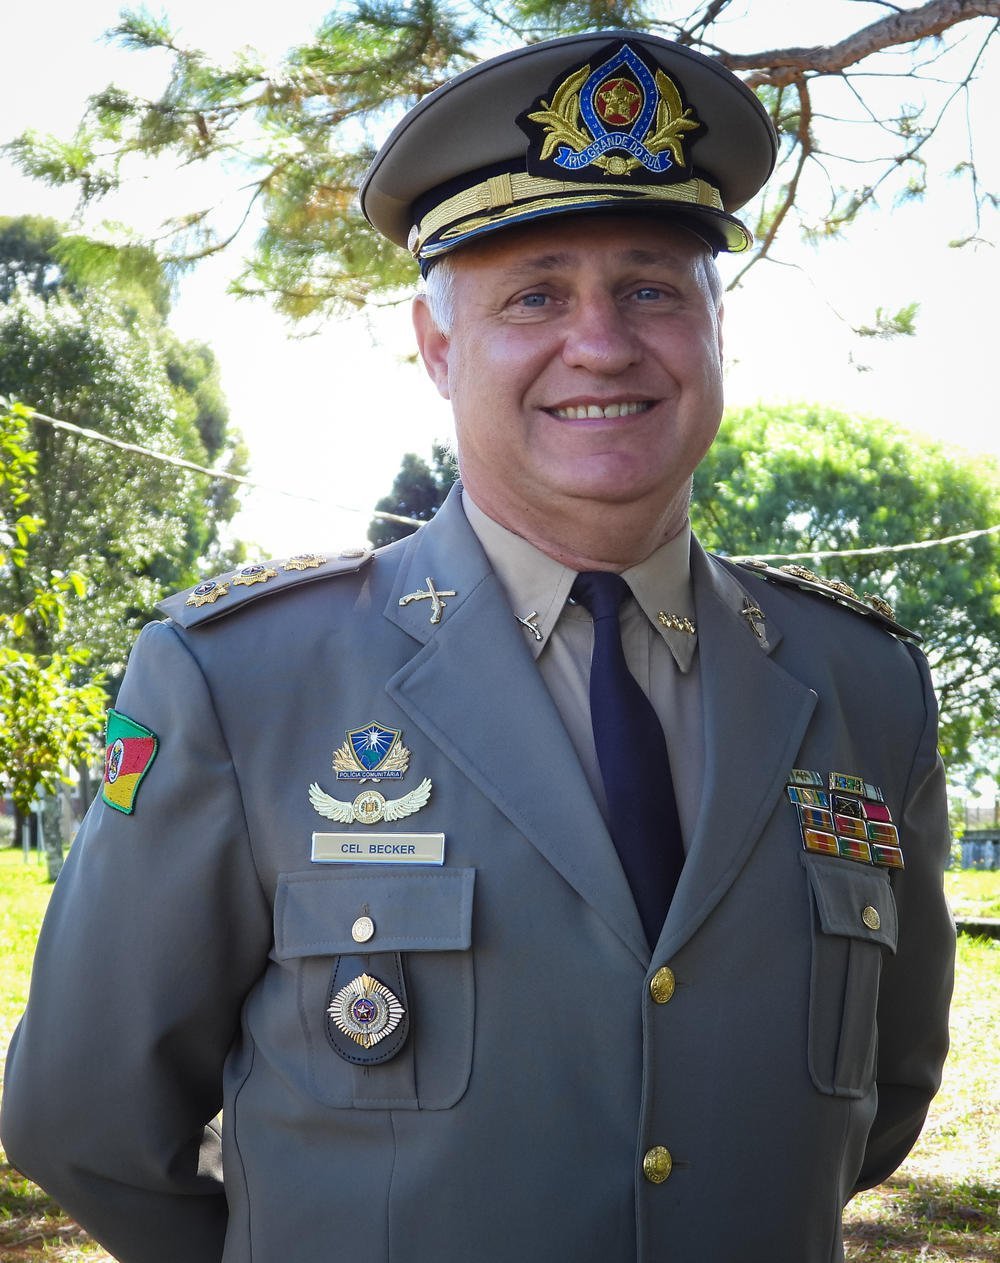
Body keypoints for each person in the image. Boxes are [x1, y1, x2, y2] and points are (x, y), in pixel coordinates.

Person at [2, 29, 954, 1263]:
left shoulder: (863, 686)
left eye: (652, 289)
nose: (601, 343)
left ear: (717, 329)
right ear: (439, 347)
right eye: (535, 295)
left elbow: (881, 1094)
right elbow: (83, 1121)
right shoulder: (242, 682)